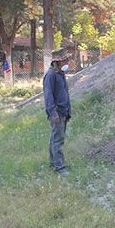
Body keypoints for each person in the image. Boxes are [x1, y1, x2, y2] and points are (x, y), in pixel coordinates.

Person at [43, 48, 72, 176]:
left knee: (54, 138)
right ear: (58, 62)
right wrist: (53, 113)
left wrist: (68, 111)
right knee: (57, 141)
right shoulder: (50, 76)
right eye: (65, 60)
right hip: (57, 113)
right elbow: (48, 97)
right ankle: (59, 168)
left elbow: (64, 94)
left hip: (63, 112)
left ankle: (53, 163)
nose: (67, 62)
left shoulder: (60, 74)